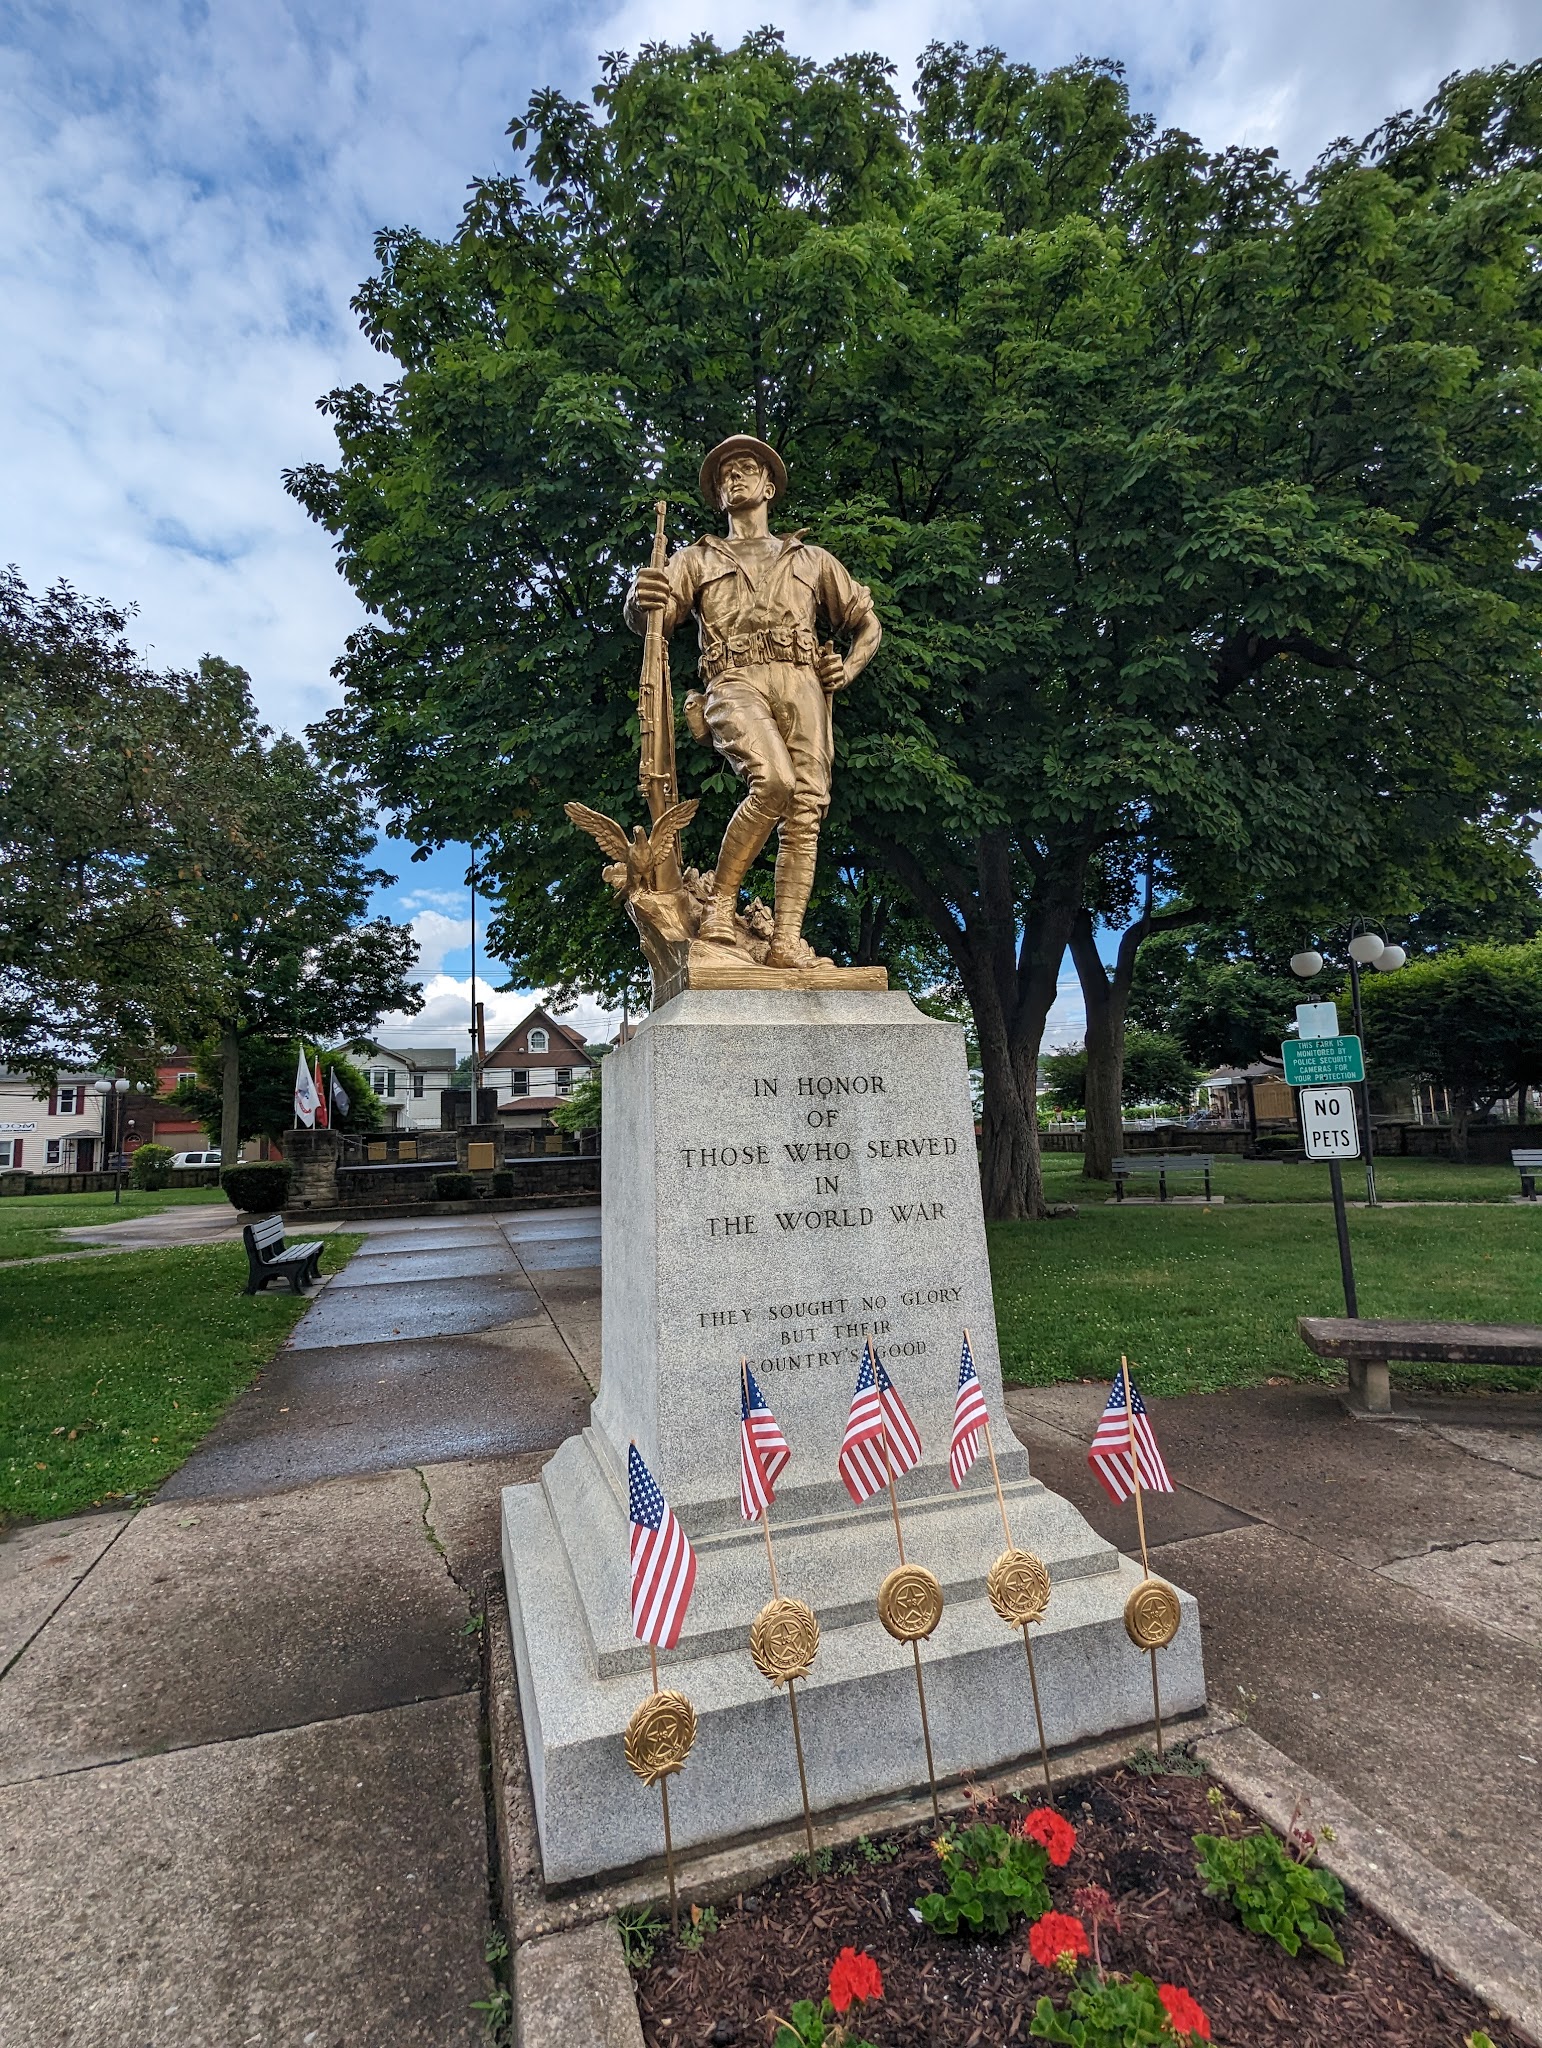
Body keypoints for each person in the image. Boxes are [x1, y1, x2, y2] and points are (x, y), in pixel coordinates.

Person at [625, 435, 881, 966]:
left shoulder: (812, 559)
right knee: (775, 781)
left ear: (769, 486)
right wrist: (638, 598)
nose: (733, 477)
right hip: (733, 679)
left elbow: (868, 625)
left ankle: (786, 940)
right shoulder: (695, 559)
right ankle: (721, 903)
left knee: (806, 808)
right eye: (725, 475)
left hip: (803, 683)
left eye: (745, 469)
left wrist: (848, 668)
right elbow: (655, 617)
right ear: (719, 496)